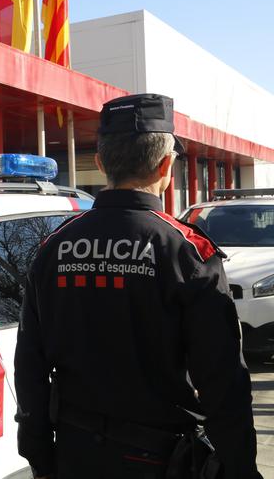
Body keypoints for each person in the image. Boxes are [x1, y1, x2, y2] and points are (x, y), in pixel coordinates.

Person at [14, 93, 262, 478]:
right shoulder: (186, 250)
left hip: (75, 455)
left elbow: (29, 364)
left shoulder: (54, 245)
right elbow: (222, 379)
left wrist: (39, 454)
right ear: (166, 165)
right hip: (159, 460)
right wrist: (241, 468)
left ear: (99, 163)